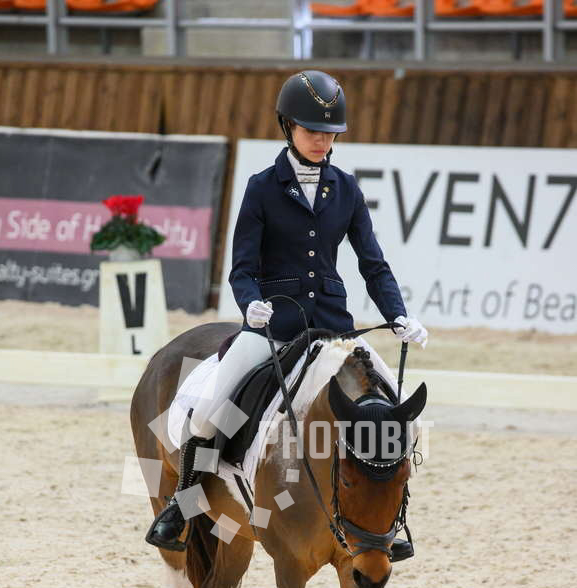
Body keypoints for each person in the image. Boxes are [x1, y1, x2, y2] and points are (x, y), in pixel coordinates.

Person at [146, 69, 428, 552]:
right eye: (311, 130)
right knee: (213, 408)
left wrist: (399, 314)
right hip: (273, 326)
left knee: (403, 415)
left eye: (330, 133)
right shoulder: (262, 187)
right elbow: (242, 267)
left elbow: (373, 264)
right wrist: (251, 304)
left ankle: (388, 521)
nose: (322, 140)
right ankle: (183, 502)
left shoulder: (346, 188)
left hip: (333, 330)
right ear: (288, 127)